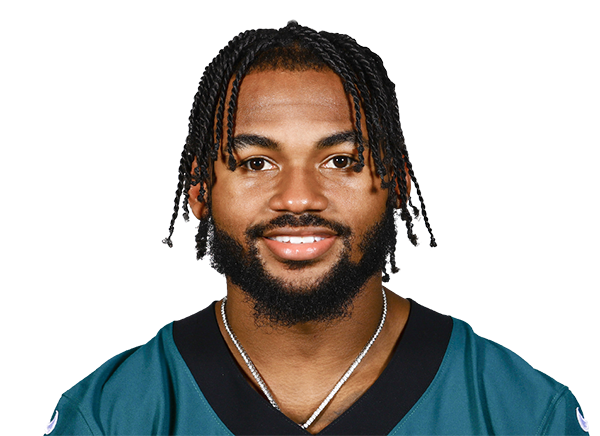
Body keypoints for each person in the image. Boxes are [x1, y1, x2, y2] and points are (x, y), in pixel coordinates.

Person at [46, 20, 589, 435]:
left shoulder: (520, 413)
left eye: (341, 161)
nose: (299, 197)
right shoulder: (110, 416)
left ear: (398, 185)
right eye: (257, 162)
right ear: (200, 192)